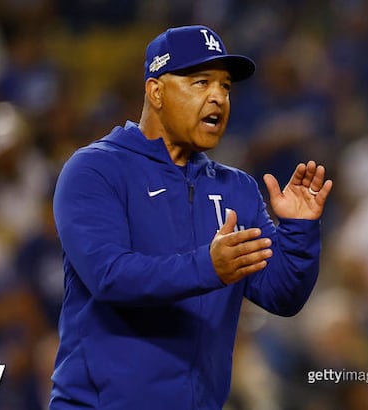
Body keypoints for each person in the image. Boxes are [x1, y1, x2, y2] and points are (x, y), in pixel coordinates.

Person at [50, 25, 333, 409]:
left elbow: (281, 295)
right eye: (201, 82)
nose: (218, 97)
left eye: (225, 86)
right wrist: (208, 267)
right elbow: (109, 276)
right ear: (156, 91)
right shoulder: (96, 170)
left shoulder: (237, 188)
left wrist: (299, 230)